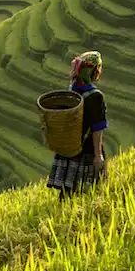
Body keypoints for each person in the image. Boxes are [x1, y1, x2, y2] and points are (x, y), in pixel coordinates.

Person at [46, 51, 108, 200]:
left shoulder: (72, 89)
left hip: (70, 146)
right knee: (89, 194)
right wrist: (98, 155)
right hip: (86, 149)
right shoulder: (96, 96)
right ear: (94, 71)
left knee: (67, 192)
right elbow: (97, 127)